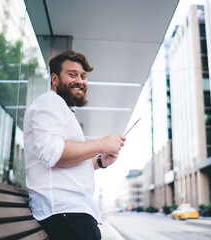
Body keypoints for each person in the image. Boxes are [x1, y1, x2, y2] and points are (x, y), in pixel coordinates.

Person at [23, 50, 126, 240]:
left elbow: (66, 161)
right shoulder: (50, 102)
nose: (80, 81)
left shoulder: (61, 108)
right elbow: (54, 154)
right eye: (72, 75)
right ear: (55, 79)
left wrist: (100, 161)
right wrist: (101, 143)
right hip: (64, 211)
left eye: (83, 76)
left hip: (71, 212)